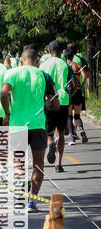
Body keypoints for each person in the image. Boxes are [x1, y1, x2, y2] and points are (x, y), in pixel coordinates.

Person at [0, 47, 59, 212]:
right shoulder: (44, 76)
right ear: (37, 62)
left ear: (21, 61)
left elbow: (4, 93)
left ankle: (19, 197)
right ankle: (32, 202)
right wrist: (46, 104)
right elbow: (56, 104)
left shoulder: (12, 73)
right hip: (38, 124)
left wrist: (7, 112)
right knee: (38, 164)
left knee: (18, 163)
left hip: (18, 124)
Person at [40, 40, 70, 172]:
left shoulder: (43, 65)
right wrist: (69, 95)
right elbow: (73, 85)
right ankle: (59, 164)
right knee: (61, 134)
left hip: (49, 101)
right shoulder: (66, 65)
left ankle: (50, 143)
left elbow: (40, 84)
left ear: (49, 51)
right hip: (63, 101)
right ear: (61, 51)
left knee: (49, 132)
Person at [67, 52, 89, 144]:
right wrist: (81, 86)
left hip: (69, 91)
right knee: (77, 116)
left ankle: (72, 138)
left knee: (69, 116)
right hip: (78, 90)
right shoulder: (77, 65)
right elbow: (85, 76)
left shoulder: (65, 66)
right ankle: (82, 130)